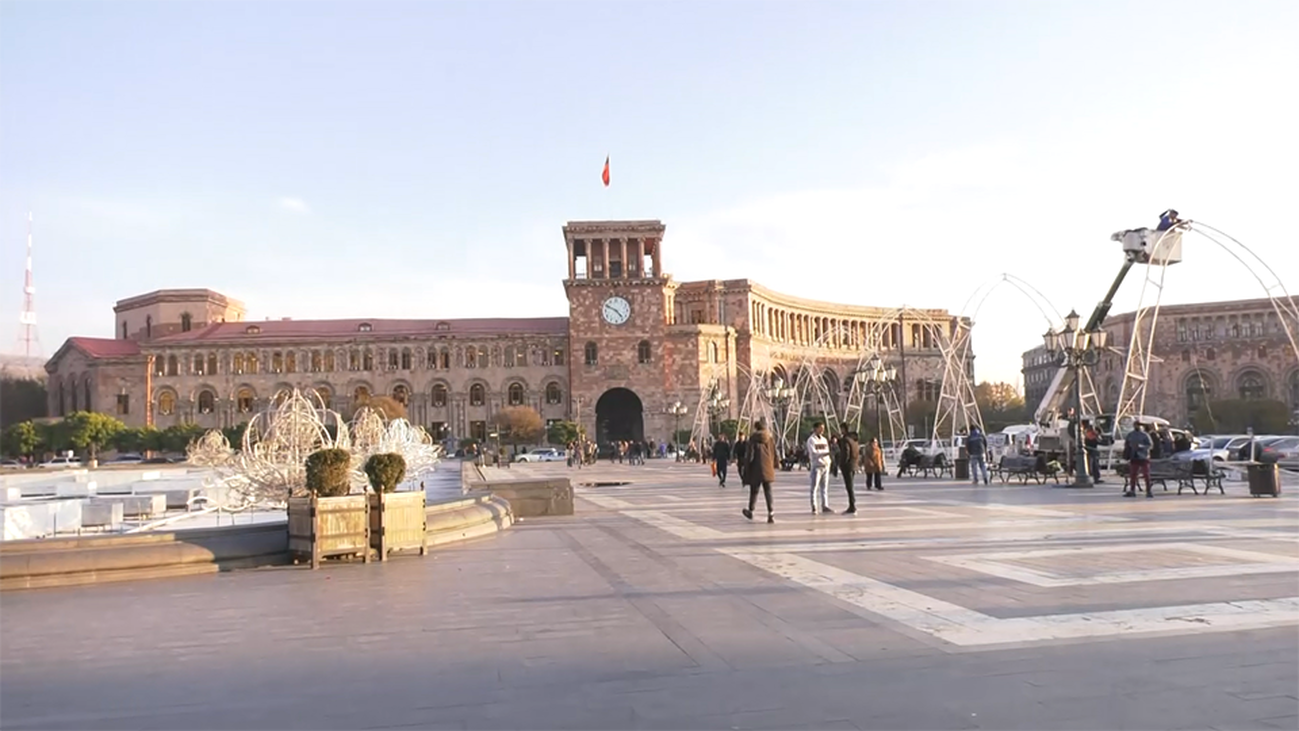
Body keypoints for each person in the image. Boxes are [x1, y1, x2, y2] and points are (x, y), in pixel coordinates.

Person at [742, 418, 776, 523]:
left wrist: (746, 468)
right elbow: (773, 453)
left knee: (754, 491)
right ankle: (771, 513)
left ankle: (751, 510)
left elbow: (750, 455)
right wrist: (773, 465)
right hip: (768, 468)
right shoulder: (769, 438)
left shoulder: (753, 439)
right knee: (768, 491)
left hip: (756, 468)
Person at [806, 422, 833, 514]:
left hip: (825, 465)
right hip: (817, 466)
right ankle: (814, 506)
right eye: (820, 428)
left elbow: (827, 451)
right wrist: (825, 454)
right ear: (815, 428)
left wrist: (829, 460)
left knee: (824, 487)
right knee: (814, 487)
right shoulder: (811, 440)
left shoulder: (824, 440)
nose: (822, 430)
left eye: (823, 428)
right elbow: (813, 454)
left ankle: (825, 505)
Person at [1124, 423, 1153, 498]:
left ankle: (1148, 490)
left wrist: (1142, 447)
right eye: (1135, 425)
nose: (1137, 427)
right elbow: (1126, 444)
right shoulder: (1130, 435)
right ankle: (1132, 490)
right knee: (1133, 474)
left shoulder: (1145, 435)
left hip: (1143, 456)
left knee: (1146, 474)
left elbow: (1150, 445)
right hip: (1133, 456)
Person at [838, 431, 860, 514]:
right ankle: (852, 504)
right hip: (854, 465)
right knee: (850, 486)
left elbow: (846, 452)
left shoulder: (846, 440)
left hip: (847, 466)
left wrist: (842, 463)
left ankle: (852, 505)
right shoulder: (854, 441)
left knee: (849, 487)